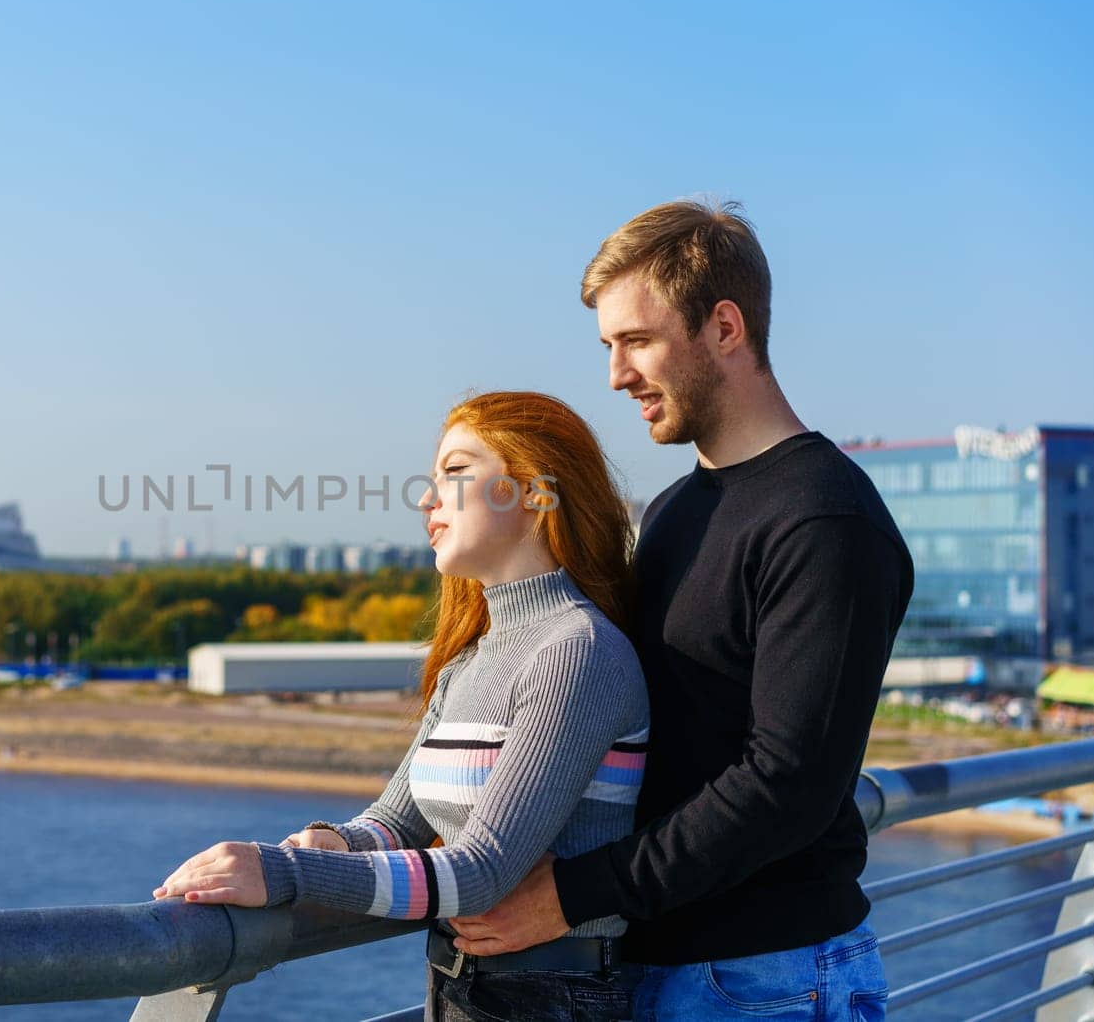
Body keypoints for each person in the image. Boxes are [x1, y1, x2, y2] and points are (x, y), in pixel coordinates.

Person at [447, 200, 914, 1020]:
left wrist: (572, 892)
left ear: (725, 327)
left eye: (637, 341)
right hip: (656, 966)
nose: (616, 375)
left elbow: (790, 783)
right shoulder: (669, 512)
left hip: (766, 977)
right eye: (608, 347)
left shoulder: (823, 518)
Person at [155, 390, 650, 1021]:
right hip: (459, 988)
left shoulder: (577, 651)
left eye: (455, 472)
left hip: (549, 996)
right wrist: (323, 844)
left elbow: (480, 872)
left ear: (532, 491)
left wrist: (281, 873)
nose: (426, 498)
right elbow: (396, 826)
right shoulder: (471, 660)